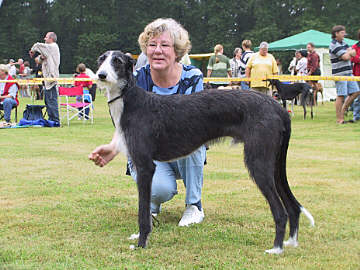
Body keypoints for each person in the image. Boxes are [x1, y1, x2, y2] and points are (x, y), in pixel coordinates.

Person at [89, 18, 206, 227]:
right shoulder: (136, 78)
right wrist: (114, 147)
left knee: (196, 138)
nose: (157, 50)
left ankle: (193, 206)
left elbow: (193, 123)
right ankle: (152, 204)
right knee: (159, 189)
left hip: (180, 149)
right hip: (149, 150)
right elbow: (126, 125)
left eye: (164, 45)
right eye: (152, 45)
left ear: (177, 50)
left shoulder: (192, 77)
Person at [329, 25, 360, 124]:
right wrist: (349, 53)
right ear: (336, 33)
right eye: (342, 33)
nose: (344, 35)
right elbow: (346, 57)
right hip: (339, 73)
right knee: (341, 95)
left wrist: (349, 53)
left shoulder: (344, 43)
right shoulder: (333, 44)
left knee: (356, 92)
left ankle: (343, 111)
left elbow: (353, 53)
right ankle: (339, 119)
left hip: (349, 73)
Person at [29, 31, 60, 123]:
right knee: (47, 100)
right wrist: (41, 57)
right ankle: (51, 119)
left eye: (46, 37)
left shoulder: (53, 46)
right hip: (46, 79)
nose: (44, 39)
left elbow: (38, 45)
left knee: (51, 100)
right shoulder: (48, 50)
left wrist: (32, 50)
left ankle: (55, 120)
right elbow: (38, 60)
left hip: (51, 79)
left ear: (51, 39)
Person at [350, 29, 360, 122]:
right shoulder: (355, 46)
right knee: (357, 97)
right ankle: (356, 116)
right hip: (357, 74)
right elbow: (353, 58)